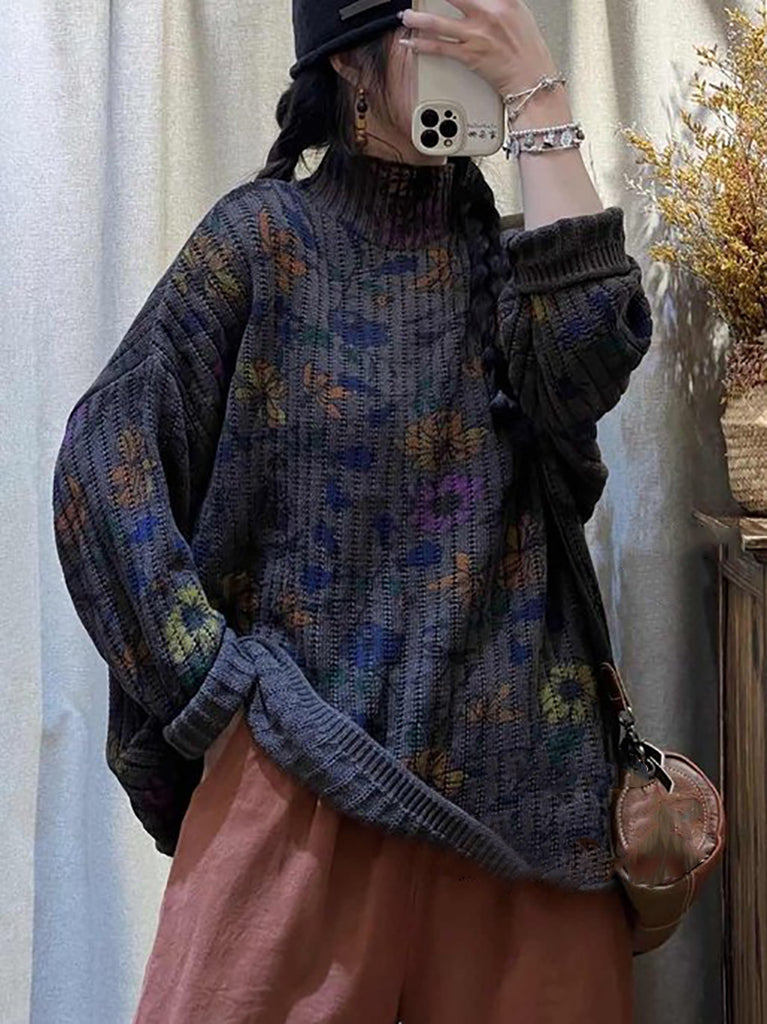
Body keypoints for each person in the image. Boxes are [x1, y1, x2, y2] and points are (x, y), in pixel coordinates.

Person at [52, 1, 655, 1021]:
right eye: (438, 24)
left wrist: (537, 99)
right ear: (349, 61)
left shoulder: (508, 265)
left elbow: (591, 355)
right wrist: (211, 684)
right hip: (302, 801)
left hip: (530, 831)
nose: (469, 47)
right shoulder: (263, 242)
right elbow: (100, 464)